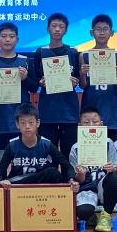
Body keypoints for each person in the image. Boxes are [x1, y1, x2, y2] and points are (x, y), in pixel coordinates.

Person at [0, 22, 36, 151]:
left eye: (11, 36)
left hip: (20, 120)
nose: (8, 39)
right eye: (4, 36)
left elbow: (34, 87)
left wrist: (25, 78)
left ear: (17, 39)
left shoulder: (25, 61)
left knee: (20, 157)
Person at [31, 12, 81, 154]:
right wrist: (40, 82)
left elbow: (78, 78)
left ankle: (68, 171)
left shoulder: (73, 52)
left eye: (61, 26)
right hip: (48, 111)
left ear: (65, 30)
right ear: (48, 29)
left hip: (69, 112)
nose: (57, 29)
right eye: (54, 26)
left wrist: (75, 81)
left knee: (69, 153)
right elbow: (35, 80)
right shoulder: (40, 52)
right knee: (48, 153)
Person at [68, 105, 117, 232]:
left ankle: (106, 215)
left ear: (101, 124)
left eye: (95, 121)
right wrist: (81, 174)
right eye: (86, 122)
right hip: (86, 188)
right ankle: (91, 215)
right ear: (80, 126)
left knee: (114, 178)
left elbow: (114, 168)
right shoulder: (75, 148)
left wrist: (112, 169)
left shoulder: (108, 143)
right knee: (84, 212)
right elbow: (76, 180)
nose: (91, 125)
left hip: (103, 186)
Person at [0, 104, 73, 186]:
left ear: (37, 123)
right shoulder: (12, 145)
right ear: (17, 124)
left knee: (53, 173)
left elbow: (67, 165)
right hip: (18, 184)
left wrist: (71, 180)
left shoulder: (46, 144)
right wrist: (1, 181)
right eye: (23, 123)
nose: (27, 126)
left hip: (40, 184)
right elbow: (0, 171)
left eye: (31, 122)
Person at [79, 14, 117, 142]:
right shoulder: (84, 55)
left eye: (105, 29)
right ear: (91, 32)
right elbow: (83, 86)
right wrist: (82, 74)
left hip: (111, 108)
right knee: (90, 146)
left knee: (112, 147)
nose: (102, 33)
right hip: (90, 106)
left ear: (112, 33)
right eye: (98, 29)